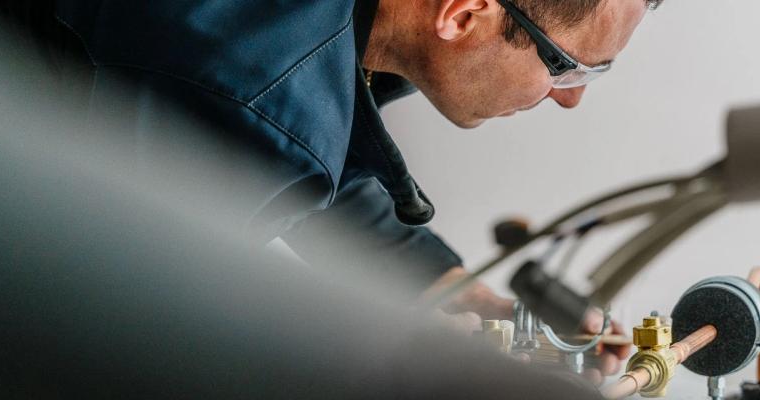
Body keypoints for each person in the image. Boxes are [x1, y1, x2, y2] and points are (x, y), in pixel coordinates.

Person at [37, 0, 655, 382]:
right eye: (568, 67)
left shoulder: (347, 37)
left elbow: (316, 155)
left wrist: (465, 296)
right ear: (464, 14)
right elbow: (114, 332)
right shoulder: (262, 96)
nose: (571, 99)